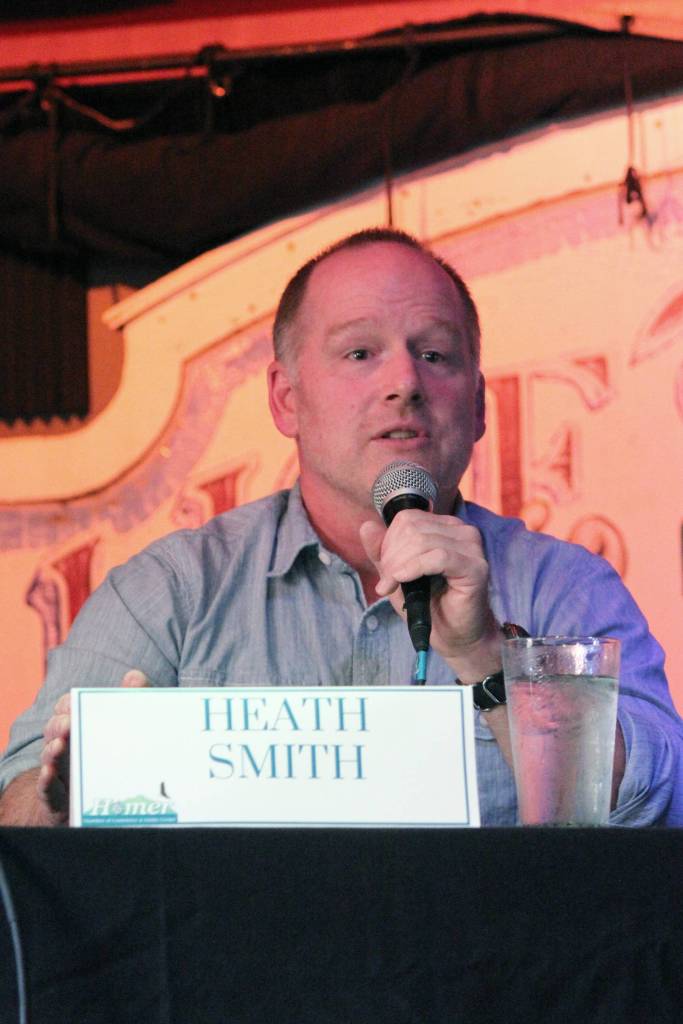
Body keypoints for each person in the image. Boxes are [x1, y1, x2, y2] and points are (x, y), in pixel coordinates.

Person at [0, 228, 681, 826]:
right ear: (285, 399)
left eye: (436, 355)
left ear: (476, 407)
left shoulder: (566, 587)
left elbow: (661, 806)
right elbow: (17, 808)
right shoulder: (171, 590)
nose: (404, 382)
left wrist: (483, 658)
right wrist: (67, 800)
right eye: (359, 353)